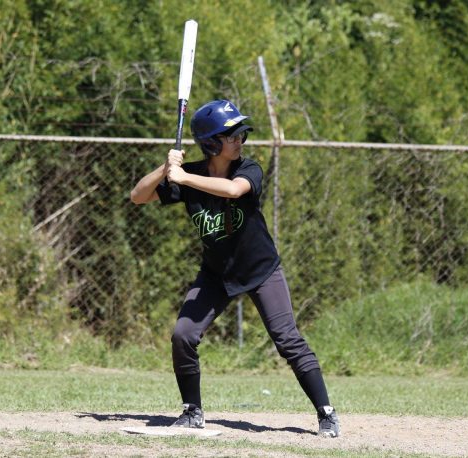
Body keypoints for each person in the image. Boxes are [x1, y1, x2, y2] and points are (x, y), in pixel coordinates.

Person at [129, 100, 340, 438]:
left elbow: (232, 190)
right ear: (212, 143)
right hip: (215, 274)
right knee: (183, 335)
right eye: (231, 135)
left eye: (241, 132)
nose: (240, 139)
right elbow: (138, 196)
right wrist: (165, 168)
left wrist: (184, 178)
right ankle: (192, 411)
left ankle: (326, 412)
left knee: (288, 341)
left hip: (261, 270)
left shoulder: (249, 168)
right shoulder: (189, 175)